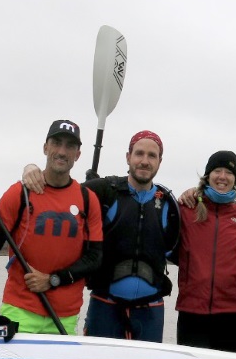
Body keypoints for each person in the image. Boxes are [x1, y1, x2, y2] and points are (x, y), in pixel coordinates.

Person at [23, 130, 180, 342]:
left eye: (152, 156)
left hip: (150, 312)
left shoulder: (169, 205)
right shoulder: (104, 190)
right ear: (128, 157)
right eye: (139, 154)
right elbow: (59, 189)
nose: (144, 161)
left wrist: (195, 194)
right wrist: (31, 169)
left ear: (160, 161)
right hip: (105, 307)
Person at [0, 119, 103, 339]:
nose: (61, 151)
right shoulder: (18, 194)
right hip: (20, 310)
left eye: (70, 146)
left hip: (65, 316)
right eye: (56, 143)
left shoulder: (88, 200)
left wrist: (53, 279)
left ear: (78, 154)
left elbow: (95, 258)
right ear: (45, 147)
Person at [172, 150, 236, 353]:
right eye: (217, 170)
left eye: (229, 172)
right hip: (191, 311)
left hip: (232, 315)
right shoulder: (186, 208)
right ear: (207, 176)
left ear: (235, 179)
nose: (222, 177)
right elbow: (170, 249)